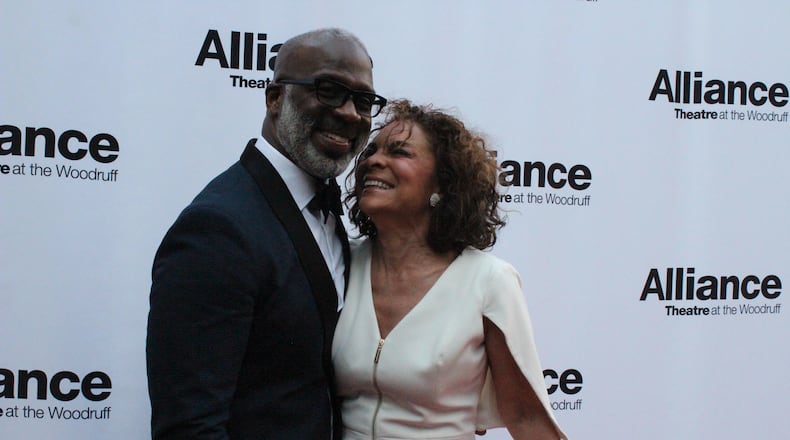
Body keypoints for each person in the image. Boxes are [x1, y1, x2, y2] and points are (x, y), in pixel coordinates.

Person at [146, 28, 386, 439]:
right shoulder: (218, 229)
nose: (349, 113)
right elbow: (189, 425)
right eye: (328, 90)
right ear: (275, 99)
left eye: (363, 101)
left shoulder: (332, 213)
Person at [332, 100, 568, 440]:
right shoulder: (341, 262)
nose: (373, 161)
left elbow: (527, 418)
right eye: (371, 151)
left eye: (399, 152)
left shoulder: (489, 281)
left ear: (441, 184)